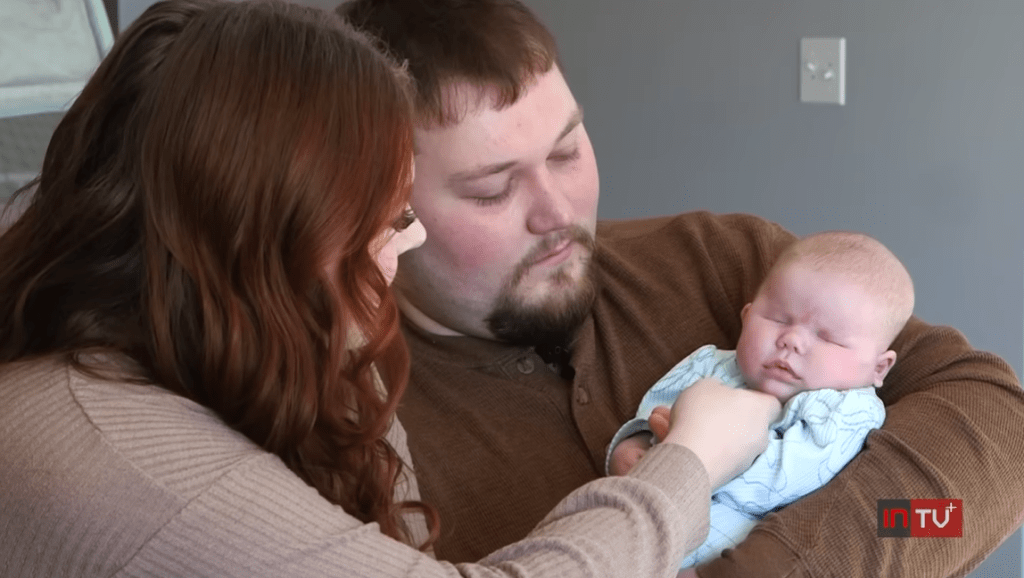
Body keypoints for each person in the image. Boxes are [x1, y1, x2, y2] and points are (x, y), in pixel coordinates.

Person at [0, 0, 782, 576]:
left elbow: (912, 498)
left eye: (570, 149)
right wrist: (690, 464)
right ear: (266, 244)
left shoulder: (720, 253)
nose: (399, 249)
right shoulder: (99, 449)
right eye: (388, 220)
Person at [338, 0, 1024, 576]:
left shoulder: (720, 259)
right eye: (492, 189)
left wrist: (800, 557)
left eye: (567, 151)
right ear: (380, 207)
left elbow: (994, 446)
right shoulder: (346, 420)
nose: (559, 213)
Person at [608, 231, 915, 569]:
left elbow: (781, 481)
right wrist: (633, 443)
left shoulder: (848, 410)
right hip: (633, 527)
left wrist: (690, 457)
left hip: (720, 556)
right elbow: (656, 408)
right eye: (778, 319)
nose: (792, 340)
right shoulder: (709, 364)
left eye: (828, 337)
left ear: (878, 367)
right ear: (747, 317)